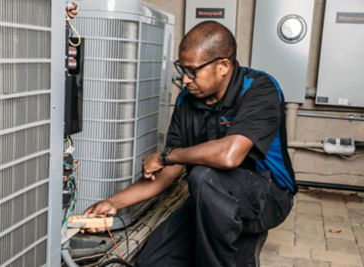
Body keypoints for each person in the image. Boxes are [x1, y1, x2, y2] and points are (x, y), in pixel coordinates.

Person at [84, 20, 297, 267]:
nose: (185, 80)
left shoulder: (259, 89)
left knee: (203, 177)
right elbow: (169, 174)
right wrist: (114, 203)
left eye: (192, 71)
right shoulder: (188, 100)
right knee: (152, 261)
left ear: (223, 66)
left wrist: (166, 156)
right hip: (211, 197)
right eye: (182, 69)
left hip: (268, 196)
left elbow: (229, 155)